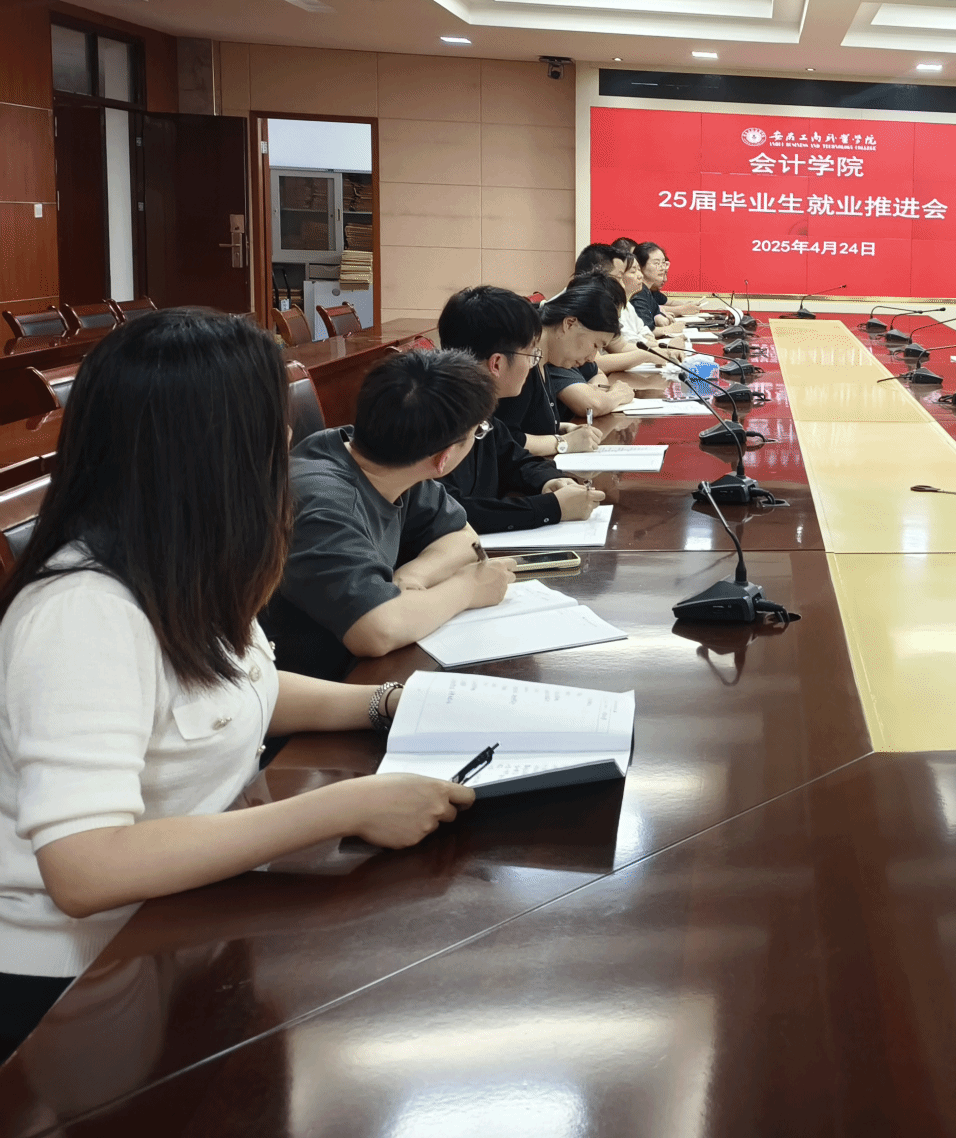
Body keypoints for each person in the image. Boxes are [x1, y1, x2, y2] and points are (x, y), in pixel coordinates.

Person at [0, 311, 473, 1057]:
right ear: (214, 450)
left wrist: (388, 704)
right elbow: (86, 868)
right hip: (83, 978)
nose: (288, 442)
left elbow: (238, 691)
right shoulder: (85, 612)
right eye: (271, 426)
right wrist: (344, 806)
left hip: (185, 916)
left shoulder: (184, 561)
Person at [261, 350, 515, 680]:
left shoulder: (388, 457)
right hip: (312, 689)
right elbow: (375, 630)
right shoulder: (323, 502)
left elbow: (463, 537)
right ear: (443, 458)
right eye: (477, 432)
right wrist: (468, 588)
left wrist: (412, 578)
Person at [435, 287, 601, 534]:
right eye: (531, 355)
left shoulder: (478, 407)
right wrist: (551, 507)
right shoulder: (434, 418)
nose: (533, 364)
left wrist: (549, 480)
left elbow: (513, 458)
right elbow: (450, 510)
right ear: (497, 363)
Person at [539, 275, 634, 423]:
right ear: (570, 324)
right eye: (595, 345)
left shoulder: (557, 353)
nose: (591, 358)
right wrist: (617, 394)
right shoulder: (544, 354)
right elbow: (592, 406)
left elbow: (597, 372)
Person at [633, 241, 672, 327]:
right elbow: (646, 328)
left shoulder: (647, 291)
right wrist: (673, 328)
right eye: (656, 263)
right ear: (640, 266)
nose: (662, 268)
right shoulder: (637, 292)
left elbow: (657, 313)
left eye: (663, 263)